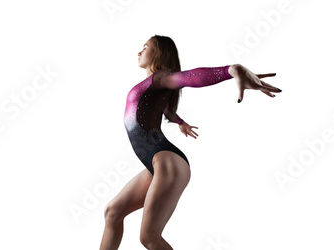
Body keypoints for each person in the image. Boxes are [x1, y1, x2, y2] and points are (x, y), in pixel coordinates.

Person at [99, 35, 282, 250]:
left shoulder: (162, 77)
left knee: (149, 237)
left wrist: (231, 70)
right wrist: (180, 121)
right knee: (113, 212)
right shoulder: (153, 86)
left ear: (159, 53)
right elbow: (159, 108)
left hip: (166, 161)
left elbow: (189, 78)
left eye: (145, 47)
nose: (139, 51)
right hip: (156, 164)